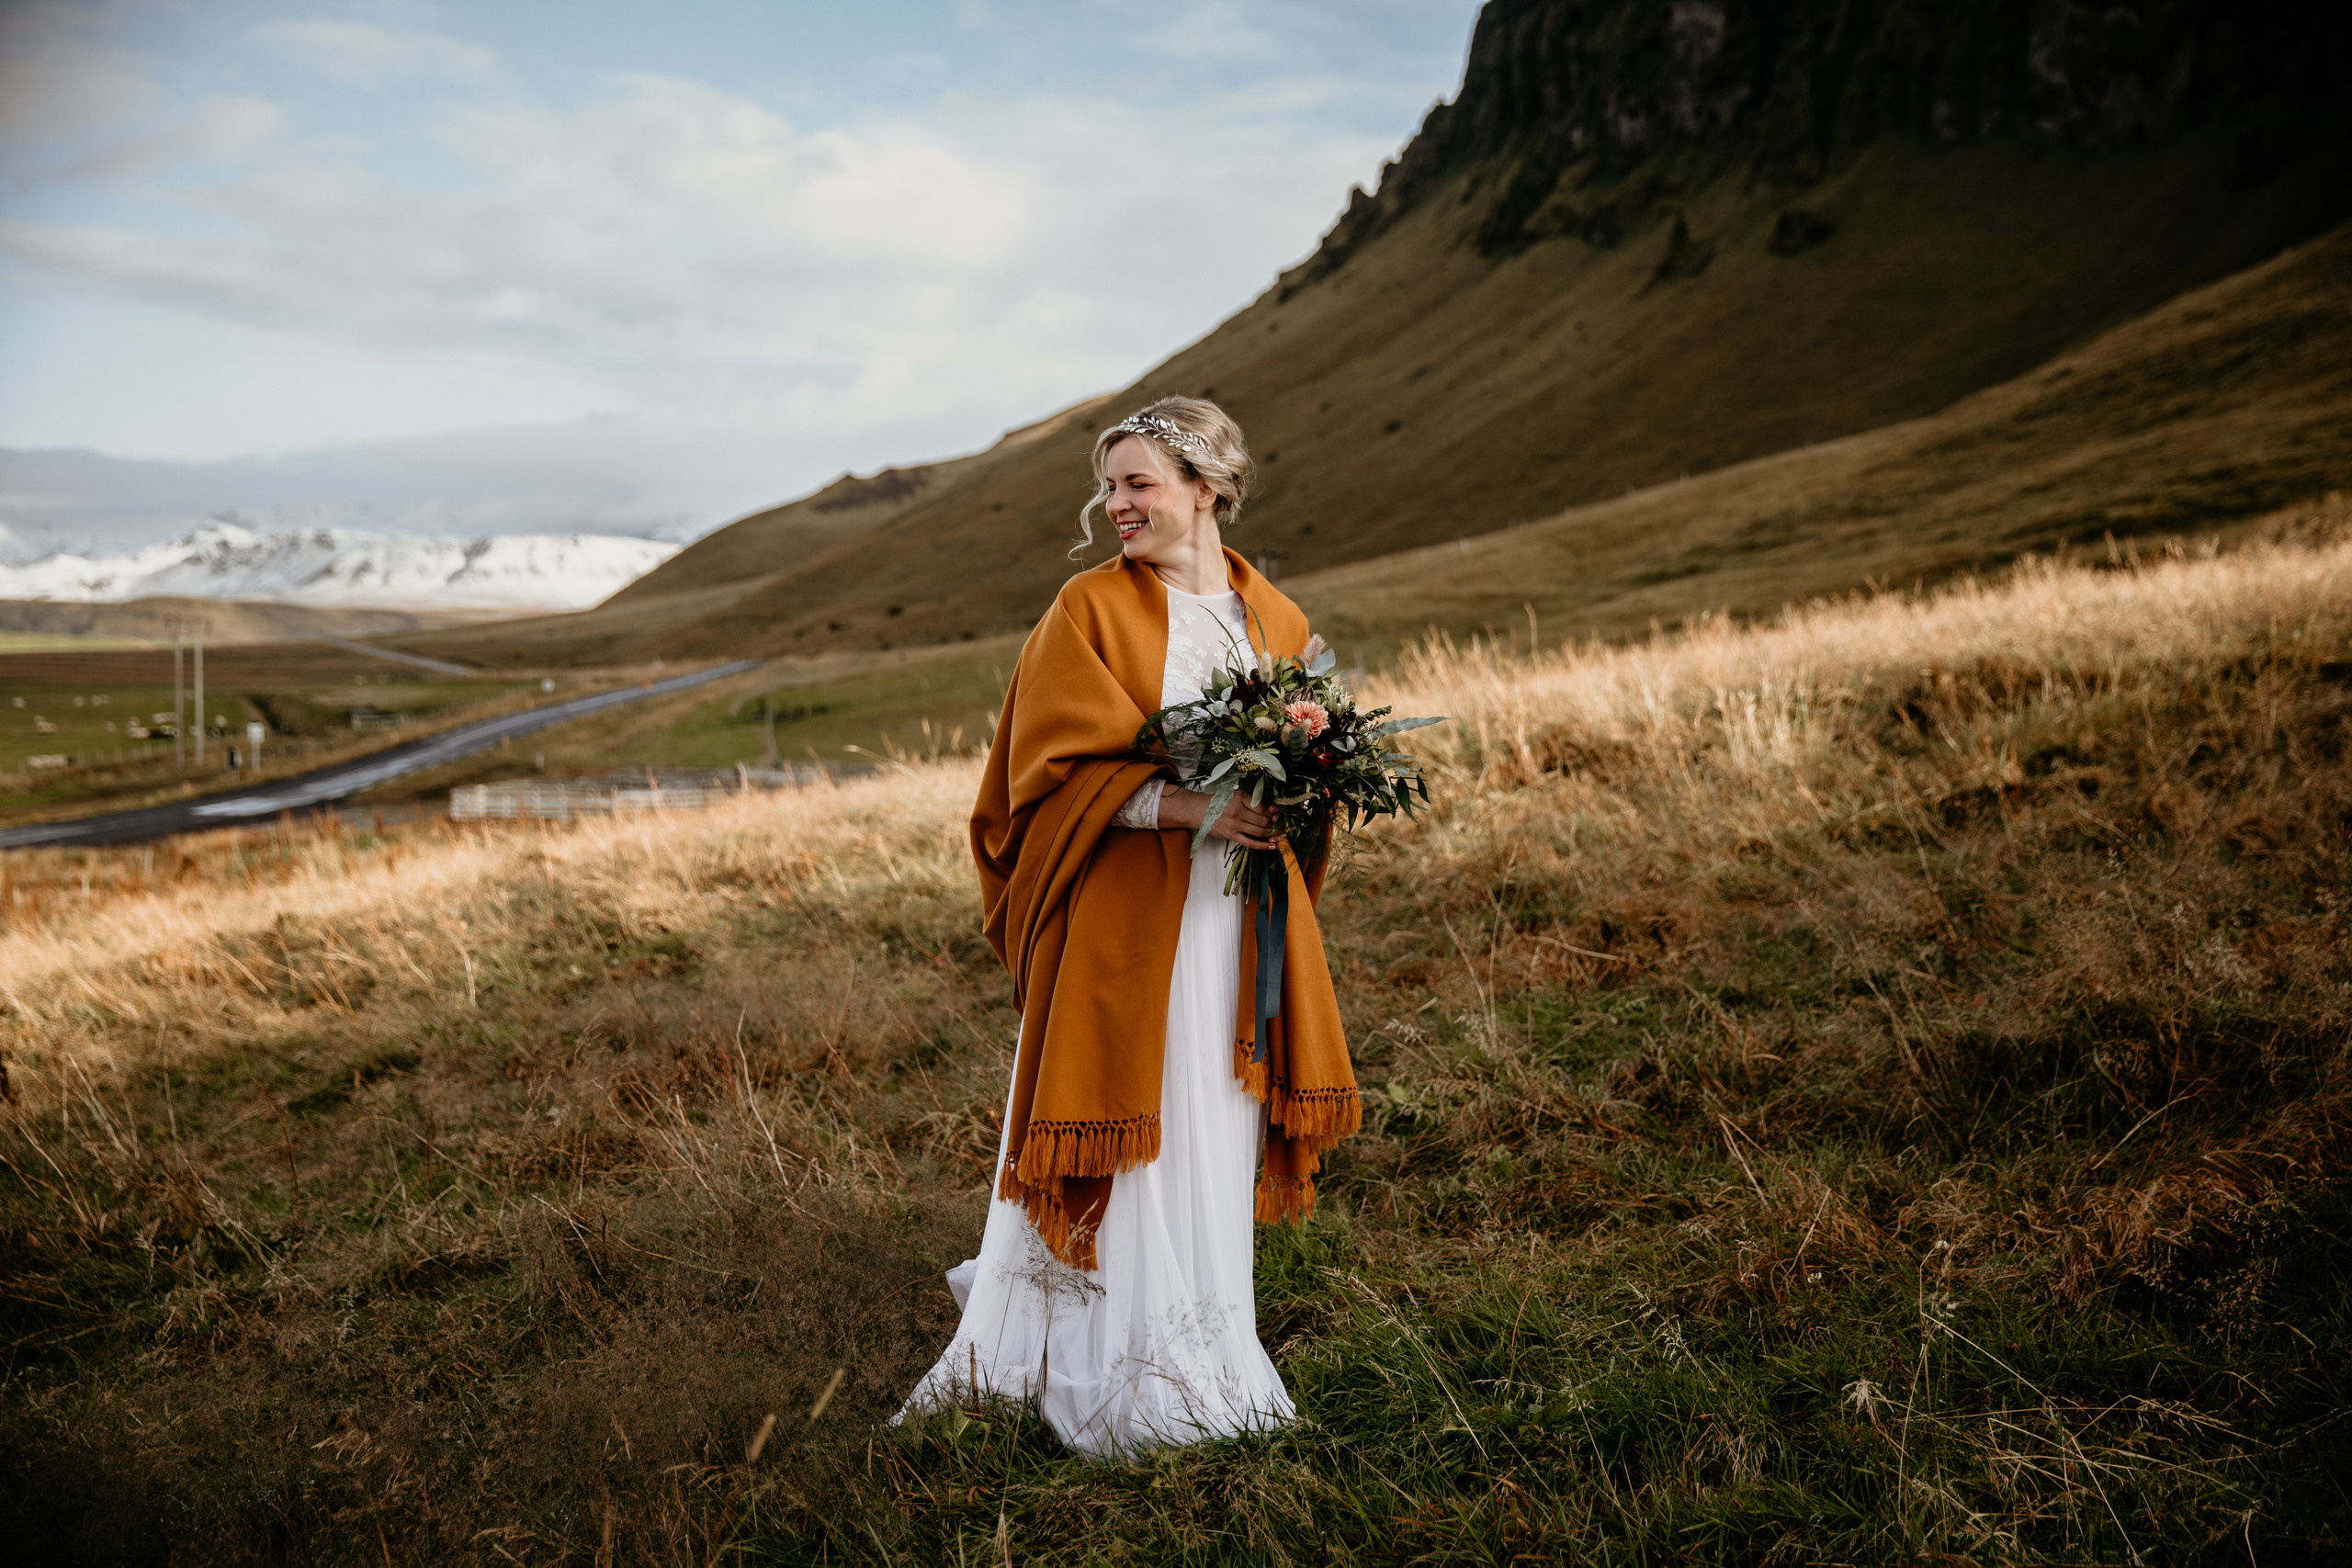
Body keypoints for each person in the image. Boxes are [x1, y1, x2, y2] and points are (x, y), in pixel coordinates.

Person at [901, 397, 1362, 1459]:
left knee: (1212, 1113)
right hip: (1121, 925)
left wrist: (1298, 791)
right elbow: (1042, 782)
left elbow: (1311, 760)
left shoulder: (1276, 620)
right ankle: (1104, 1360)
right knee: (1138, 1115)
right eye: (1109, 487)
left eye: (1137, 484)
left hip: (1230, 925)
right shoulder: (1088, 610)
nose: (1116, 506)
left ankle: (1201, 1333)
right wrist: (1194, 805)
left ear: (1206, 487)